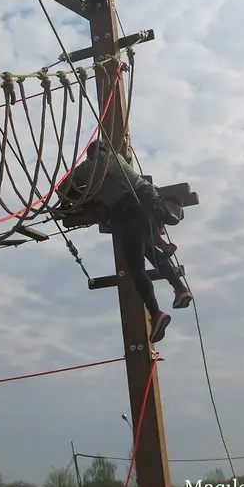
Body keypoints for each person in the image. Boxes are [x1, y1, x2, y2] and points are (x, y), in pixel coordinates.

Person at [59, 138, 192, 343]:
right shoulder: (119, 158)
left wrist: (74, 192)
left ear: (90, 155)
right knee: (151, 251)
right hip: (150, 203)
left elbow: (63, 186)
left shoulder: (90, 166)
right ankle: (180, 287)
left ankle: (155, 312)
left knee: (136, 268)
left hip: (128, 212)